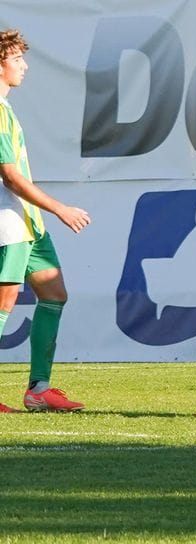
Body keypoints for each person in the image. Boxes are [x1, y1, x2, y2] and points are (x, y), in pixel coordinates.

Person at [0, 29, 90, 413]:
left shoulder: (6, 108)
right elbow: (9, 175)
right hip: (6, 218)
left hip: (26, 220)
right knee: (4, 299)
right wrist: (60, 208)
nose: (25, 66)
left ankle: (39, 389)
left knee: (54, 294)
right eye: (17, 59)